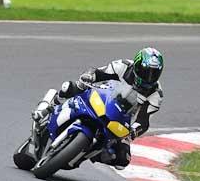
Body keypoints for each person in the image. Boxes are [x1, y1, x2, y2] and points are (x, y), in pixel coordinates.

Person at [32, 47, 164, 169]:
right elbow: (98, 73)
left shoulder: (155, 94)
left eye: (154, 74)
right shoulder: (123, 66)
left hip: (121, 121)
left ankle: (89, 152)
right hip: (102, 98)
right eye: (146, 72)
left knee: (122, 160)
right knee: (70, 87)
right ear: (137, 66)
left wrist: (133, 132)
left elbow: (144, 121)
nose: (149, 77)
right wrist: (89, 77)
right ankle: (48, 109)